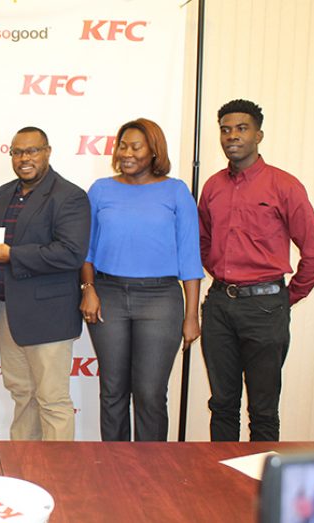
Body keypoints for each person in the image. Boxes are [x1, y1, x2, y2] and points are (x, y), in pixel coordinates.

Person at [199, 99, 314, 441]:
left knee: (263, 410)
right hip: (219, 307)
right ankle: (221, 486)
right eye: (225, 130)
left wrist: (285, 297)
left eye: (241, 129)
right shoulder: (213, 186)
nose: (232, 136)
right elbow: (202, 241)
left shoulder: (284, 186)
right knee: (222, 404)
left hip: (265, 308)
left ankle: (257, 492)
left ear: (259, 135)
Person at [0, 126, 91, 441]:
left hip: (49, 317)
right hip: (8, 312)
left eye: (32, 151)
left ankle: (58, 477)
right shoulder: (2, 194)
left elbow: (71, 253)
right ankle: (24, 469)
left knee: (52, 400)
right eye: (17, 152)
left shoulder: (69, 196)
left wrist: (13, 254)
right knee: (22, 395)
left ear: (47, 151)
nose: (24, 158)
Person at [80, 118, 203, 442]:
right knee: (112, 390)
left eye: (136, 147)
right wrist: (88, 289)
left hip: (160, 299)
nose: (127, 153)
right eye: (122, 146)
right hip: (109, 295)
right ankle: (115, 469)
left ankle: (152, 473)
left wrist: (192, 316)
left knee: (150, 393)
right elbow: (86, 249)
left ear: (154, 151)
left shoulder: (176, 191)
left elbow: (190, 258)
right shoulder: (101, 190)